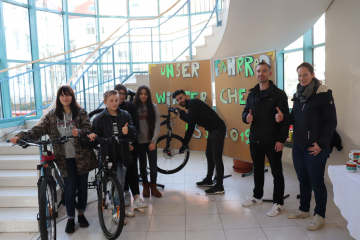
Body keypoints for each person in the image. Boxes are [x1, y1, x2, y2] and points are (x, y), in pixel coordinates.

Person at [10, 86, 97, 234]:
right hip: (64, 158)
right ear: (58, 98)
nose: (65, 98)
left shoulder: (81, 113)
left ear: (72, 97)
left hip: (82, 156)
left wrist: (79, 132)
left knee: (82, 187)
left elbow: (88, 129)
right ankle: (70, 218)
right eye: (62, 95)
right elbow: (37, 130)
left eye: (68, 95)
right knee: (70, 190)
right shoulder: (51, 115)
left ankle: (81, 214)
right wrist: (21, 136)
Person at [276, 62, 337, 230]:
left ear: (312, 75)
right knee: (303, 179)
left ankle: (320, 215)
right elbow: (295, 119)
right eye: (299, 75)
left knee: (316, 181)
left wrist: (321, 144)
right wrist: (283, 118)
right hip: (299, 146)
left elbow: (331, 122)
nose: (302, 78)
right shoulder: (298, 94)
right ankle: (304, 209)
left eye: (305, 75)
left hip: (316, 148)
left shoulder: (323, 95)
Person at [241, 62, 289, 217]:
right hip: (255, 139)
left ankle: (278, 203)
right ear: (255, 73)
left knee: (277, 172)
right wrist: (246, 118)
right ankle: (257, 197)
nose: (260, 73)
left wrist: (281, 139)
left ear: (270, 73)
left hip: (273, 140)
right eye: (258, 71)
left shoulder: (279, 94)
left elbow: (286, 118)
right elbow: (244, 112)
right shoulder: (252, 94)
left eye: (264, 71)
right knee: (258, 170)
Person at [88, 90, 137, 224]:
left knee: (121, 182)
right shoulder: (99, 119)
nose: (115, 103)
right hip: (109, 156)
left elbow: (133, 133)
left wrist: (129, 131)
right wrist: (93, 138)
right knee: (116, 184)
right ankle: (117, 211)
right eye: (111, 100)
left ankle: (119, 208)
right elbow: (95, 140)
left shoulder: (125, 115)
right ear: (105, 102)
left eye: (116, 100)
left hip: (123, 154)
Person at [172, 89, 226, 195]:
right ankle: (209, 180)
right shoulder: (191, 107)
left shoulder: (193, 103)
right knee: (209, 155)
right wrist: (184, 144)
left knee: (217, 158)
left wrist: (180, 112)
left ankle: (219, 186)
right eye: (177, 100)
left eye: (181, 98)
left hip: (218, 129)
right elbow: (191, 127)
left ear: (185, 96)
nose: (180, 101)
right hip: (213, 130)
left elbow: (189, 119)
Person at [114, 84, 148, 209]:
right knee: (121, 173)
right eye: (119, 93)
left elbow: (135, 127)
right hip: (117, 147)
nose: (121, 96)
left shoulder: (130, 107)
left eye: (123, 93)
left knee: (133, 170)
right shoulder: (111, 107)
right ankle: (125, 193)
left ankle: (136, 197)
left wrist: (131, 144)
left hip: (131, 145)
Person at [133, 85, 162, 198]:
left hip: (151, 142)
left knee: (153, 166)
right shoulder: (134, 107)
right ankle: (145, 187)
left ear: (148, 95)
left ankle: (153, 187)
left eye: (145, 93)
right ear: (138, 95)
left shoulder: (153, 107)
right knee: (143, 166)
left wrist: (153, 141)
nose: (143, 96)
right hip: (139, 142)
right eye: (141, 93)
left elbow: (157, 125)